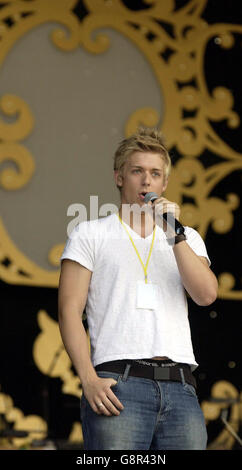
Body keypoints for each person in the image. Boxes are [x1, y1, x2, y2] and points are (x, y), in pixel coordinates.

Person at [58, 127, 218, 450]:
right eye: (137, 171)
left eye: (155, 173)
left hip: (180, 386)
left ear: (164, 184)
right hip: (119, 383)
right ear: (119, 177)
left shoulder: (186, 238)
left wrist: (175, 234)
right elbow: (68, 311)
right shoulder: (90, 233)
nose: (147, 181)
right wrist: (88, 379)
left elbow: (206, 295)